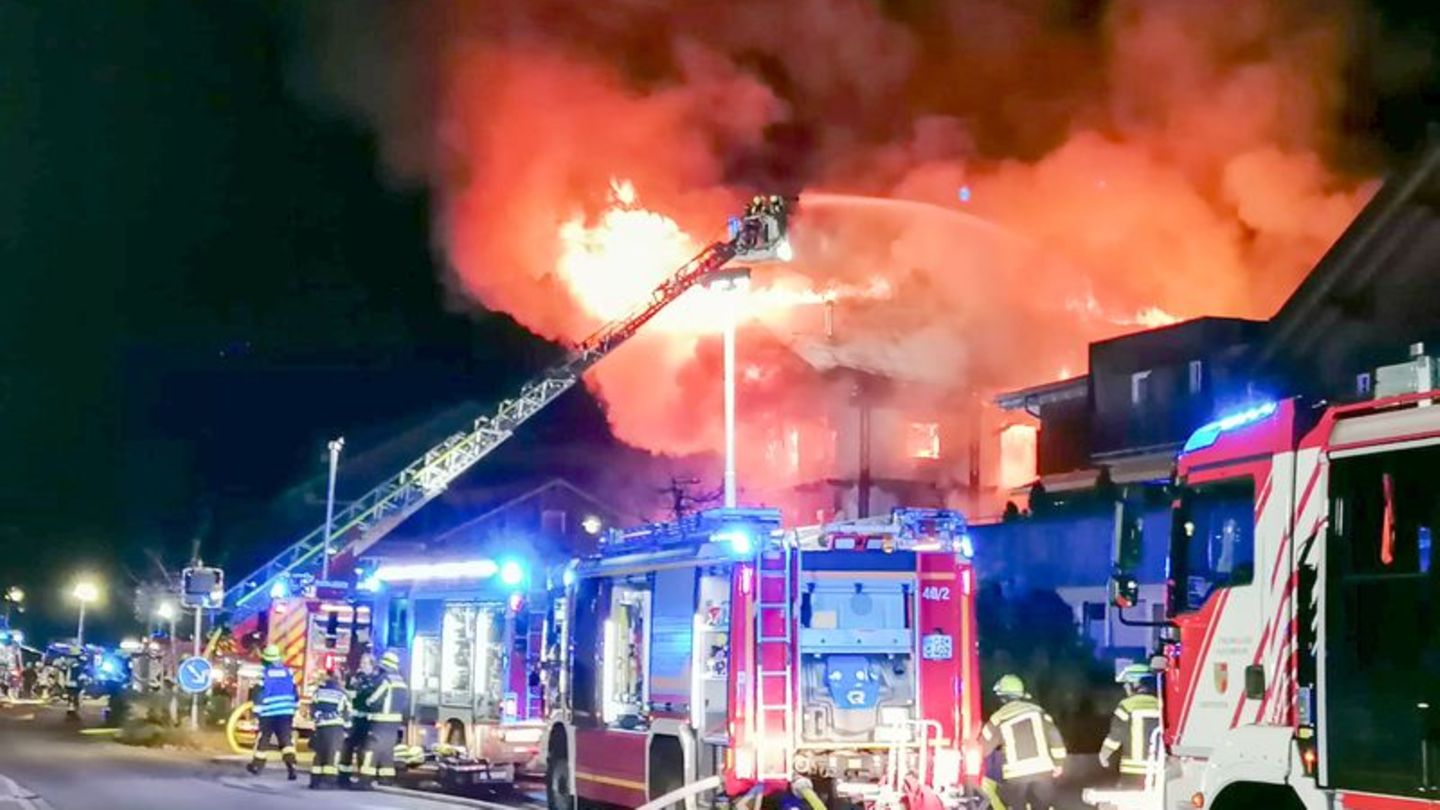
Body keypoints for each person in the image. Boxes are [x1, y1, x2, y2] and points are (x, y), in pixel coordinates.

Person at [978, 674, 1067, 810]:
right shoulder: (1039, 713)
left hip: (1016, 778)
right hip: (1042, 773)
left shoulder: (998, 718)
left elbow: (982, 748)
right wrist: (1059, 763)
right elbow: (1055, 737)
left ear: (1002, 697)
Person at [1099, 664, 1162, 789]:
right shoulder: (1160, 704)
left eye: (1127, 684)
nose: (1125, 688)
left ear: (1135, 684)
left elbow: (1115, 736)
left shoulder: (1126, 705)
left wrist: (1104, 754)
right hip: (1158, 768)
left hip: (1132, 770)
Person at [352, 650, 408, 790]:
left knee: (371, 749)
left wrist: (367, 701)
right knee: (387, 751)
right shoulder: (402, 682)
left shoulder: (385, 680)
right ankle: (386, 779)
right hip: (394, 723)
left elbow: (374, 700)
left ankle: (365, 780)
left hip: (380, 721)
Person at [246, 645, 299, 780]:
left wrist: (255, 711)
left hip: (269, 712)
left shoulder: (264, 674)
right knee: (286, 740)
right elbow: (294, 691)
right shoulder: (289, 672)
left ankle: (257, 766)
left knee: (264, 738)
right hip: (286, 712)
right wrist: (294, 707)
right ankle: (291, 767)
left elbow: (258, 694)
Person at [338, 653, 377, 788]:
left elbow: (371, 699)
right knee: (347, 746)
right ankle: (343, 777)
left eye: (365, 663)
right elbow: (349, 694)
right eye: (361, 662)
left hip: (367, 721)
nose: (362, 665)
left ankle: (363, 778)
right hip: (355, 719)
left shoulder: (375, 680)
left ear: (372, 665)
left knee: (364, 750)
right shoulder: (356, 678)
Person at [309, 671, 351, 789]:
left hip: (321, 727)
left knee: (319, 754)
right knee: (332, 755)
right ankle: (328, 781)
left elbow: (312, 708)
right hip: (335, 727)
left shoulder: (319, 692)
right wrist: (347, 730)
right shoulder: (342, 694)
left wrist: (318, 718)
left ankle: (315, 780)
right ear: (339, 680)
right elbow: (347, 712)